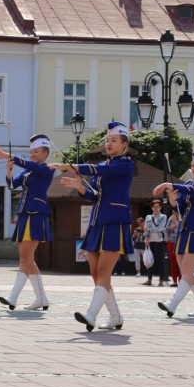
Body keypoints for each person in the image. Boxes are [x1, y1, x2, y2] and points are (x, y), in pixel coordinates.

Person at [51, 122, 135, 331]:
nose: (109, 143)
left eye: (114, 140)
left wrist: (70, 167)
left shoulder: (125, 164)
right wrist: (80, 188)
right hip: (98, 222)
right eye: (107, 140)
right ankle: (115, 317)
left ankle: (91, 315)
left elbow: (98, 169)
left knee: (104, 270)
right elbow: (96, 197)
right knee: (96, 273)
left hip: (115, 221)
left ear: (124, 144)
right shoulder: (106, 167)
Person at [156, 148, 194, 318]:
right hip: (184, 230)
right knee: (187, 273)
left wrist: (169, 185)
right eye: (193, 165)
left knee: (187, 271)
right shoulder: (188, 185)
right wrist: (172, 199)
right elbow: (181, 208)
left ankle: (172, 304)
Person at [0, 135, 54, 311]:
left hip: (36, 214)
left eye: (36, 151)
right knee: (28, 257)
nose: (33, 154)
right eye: (31, 152)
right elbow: (12, 185)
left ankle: (13, 296)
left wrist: (9, 156)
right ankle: (41, 298)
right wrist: (9, 170)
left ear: (45, 153)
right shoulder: (27, 171)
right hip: (24, 214)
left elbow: (31, 165)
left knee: (25, 256)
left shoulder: (47, 168)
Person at [144, 200, 169, 287]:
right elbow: (145, 229)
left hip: (159, 241)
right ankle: (149, 279)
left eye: (158, 206)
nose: (156, 208)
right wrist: (146, 239)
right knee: (150, 260)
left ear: (160, 207)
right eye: (154, 206)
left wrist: (149, 230)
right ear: (151, 208)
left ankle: (161, 280)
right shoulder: (148, 217)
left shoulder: (163, 217)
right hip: (150, 241)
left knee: (160, 261)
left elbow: (160, 228)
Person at [165, 211, 182, 285]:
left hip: (182, 243)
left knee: (181, 263)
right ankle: (175, 281)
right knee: (173, 262)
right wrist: (175, 224)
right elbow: (167, 229)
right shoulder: (171, 218)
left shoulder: (185, 217)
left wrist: (177, 223)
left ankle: (182, 281)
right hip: (171, 242)